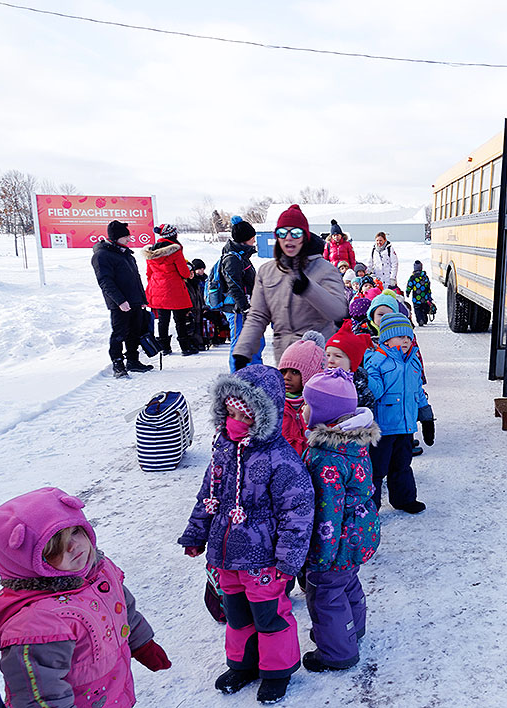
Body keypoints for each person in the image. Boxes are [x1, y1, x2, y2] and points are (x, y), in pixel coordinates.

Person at [179, 364, 314, 704]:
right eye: (229, 409)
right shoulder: (223, 447)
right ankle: (243, 665)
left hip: (264, 559)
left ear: (263, 413)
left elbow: (297, 510)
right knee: (237, 616)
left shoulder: (280, 458)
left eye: (244, 412)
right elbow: (207, 496)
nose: (234, 418)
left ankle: (276, 671)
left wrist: (289, 559)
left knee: (269, 617)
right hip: (227, 557)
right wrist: (197, 534)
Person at [0, 487, 170, 707]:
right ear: (26, 563)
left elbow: (124, 609)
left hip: (115, 693)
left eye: (76, 532)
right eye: (54, 549)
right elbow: (40, 697)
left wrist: (142, 643)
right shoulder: (36, 623)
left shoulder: (99, 571)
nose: (73, 546)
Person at [300, 369, 381, 672]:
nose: (303, 409)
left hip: (336, 540)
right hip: (360, 532)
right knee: (347, 582)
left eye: (308, 404)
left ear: (324, 413)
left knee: (324, 594)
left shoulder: (326, 457)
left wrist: (320, 556)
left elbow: (328, 512)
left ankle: (337, 651)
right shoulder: (353, 443)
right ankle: (351, 630)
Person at [233, 205, 349, 368]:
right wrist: (242, 352)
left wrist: (309, 289)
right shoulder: (266, 271)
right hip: (285, 357)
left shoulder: (325, 269)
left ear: (305, 237)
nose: (288, 238)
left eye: (295, 233)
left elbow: (338, 311)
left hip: (318, 357)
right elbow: (258, 315)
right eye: (282, 233)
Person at [363, 313, 432, 514]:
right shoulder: (377, 360)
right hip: (383, 427)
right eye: (400, 336)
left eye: (408, 337)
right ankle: (370, 505)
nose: (405, 340)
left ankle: (404, 499)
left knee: (402, 465)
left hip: (406, 426)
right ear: (386, 338)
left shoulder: (413, 361)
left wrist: (426, 416)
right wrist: (366, 375)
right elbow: (375, 392)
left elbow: (418, 391)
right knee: (377, 468)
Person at [91, 220, 153, 378]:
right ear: (116, 237)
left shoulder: (126, 254)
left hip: (135, 301)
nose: (129, 239)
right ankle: (118, 364)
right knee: (119, 334)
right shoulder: (102, 255)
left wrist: (142, 298)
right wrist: (120, 301)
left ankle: (133, 361)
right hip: (120, 304)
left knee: (134, 332)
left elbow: (136, 278)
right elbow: (105, 281)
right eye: (126, 236)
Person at [145, 224, 198, 356]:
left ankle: (165, 348)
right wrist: (189, 270)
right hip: (174, 290)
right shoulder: (175, 251)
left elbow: (148, 274)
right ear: (173, 235)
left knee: (163, 320)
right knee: (180, 320)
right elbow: (184, 273)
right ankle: (185, 348)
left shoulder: (151, 252)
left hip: (157, 290)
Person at [222, 218, 264, 371]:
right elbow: (234, 286)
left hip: (247, 307)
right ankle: (239, 376)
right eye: (252, 237)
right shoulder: (232, 258)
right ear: (245, 239)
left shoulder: (242, 256)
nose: (254, 239)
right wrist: (245, 307)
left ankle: (255, 371)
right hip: (238, 309)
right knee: (240, 343)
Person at [277, 331, 326, 456]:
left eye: (294, 372)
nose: (286, 377)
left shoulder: (320, 406)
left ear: (311, 375)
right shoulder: (274, 405)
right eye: (283, 371)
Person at [325, 320, 375, 411]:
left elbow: (366, 412)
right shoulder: (320, 380)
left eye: (338, 356)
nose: (330, 360)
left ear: (352, 362)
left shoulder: (360, 386)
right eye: (328, 355)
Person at [184, 258, 209, 351]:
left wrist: (203, 306)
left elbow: (200, 296)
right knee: (190, 327)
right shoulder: (185, 284)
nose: (191, 274)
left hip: (198, 307)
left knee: (198, 325)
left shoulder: (196, 283)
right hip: (190, 308)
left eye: (192, 272)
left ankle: (199, 343)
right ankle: (192, 344)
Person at [405, 261, 434, 326]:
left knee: (417, 309)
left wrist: (408, 292)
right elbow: (428, 286)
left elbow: (410, 285)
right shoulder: (425, 276)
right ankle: (425, 319)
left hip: (416, 297)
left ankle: (420, 320)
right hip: (425, 297)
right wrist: (429, 295)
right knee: (424, 308)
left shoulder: (413, 277)